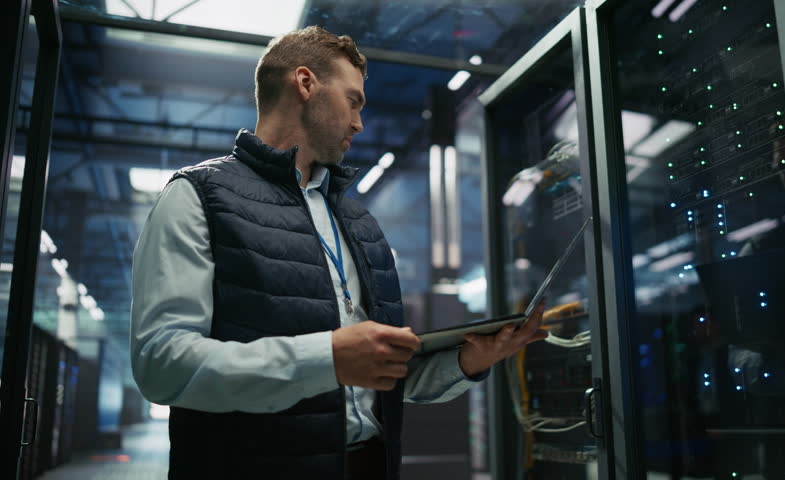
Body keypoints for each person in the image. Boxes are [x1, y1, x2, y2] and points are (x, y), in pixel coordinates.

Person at [130, 26, 547, 480]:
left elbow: (380, 379)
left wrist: (467, 361)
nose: (359, 123)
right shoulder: (197, 197)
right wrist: (326, 357)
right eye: (353, 101)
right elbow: (162, 364)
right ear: (305, 84)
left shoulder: (360, 226)